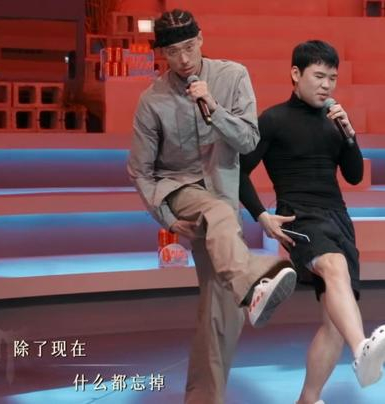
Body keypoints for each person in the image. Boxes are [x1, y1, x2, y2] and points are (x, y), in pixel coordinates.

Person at [127, 9, 296, 404]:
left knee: (221, 306)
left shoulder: (233, 76)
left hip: (221, 191)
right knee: (219, 214)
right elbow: (141, 171)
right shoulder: (151, 101)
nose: (184, 59)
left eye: (189, 47)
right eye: (173, 52)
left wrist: (214, 109)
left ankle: (203, 397)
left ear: (201, 39)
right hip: (180, 190)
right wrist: (168, 219)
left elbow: (249, 141)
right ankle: (252, 277)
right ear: (162, 54)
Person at [239, 40, 385, 403]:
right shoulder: (273, 120)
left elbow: (354, 176)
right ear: (296, 74)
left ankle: (308, 399)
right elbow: (238, 172)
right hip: (299, 215)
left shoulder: (333, 122)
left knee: (334, 325)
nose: (327, 85)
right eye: (319, 76)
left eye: (333, 78)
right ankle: (362, 351)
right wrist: (262, 216)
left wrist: (350, 135)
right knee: (333, 265)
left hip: (338, 219)